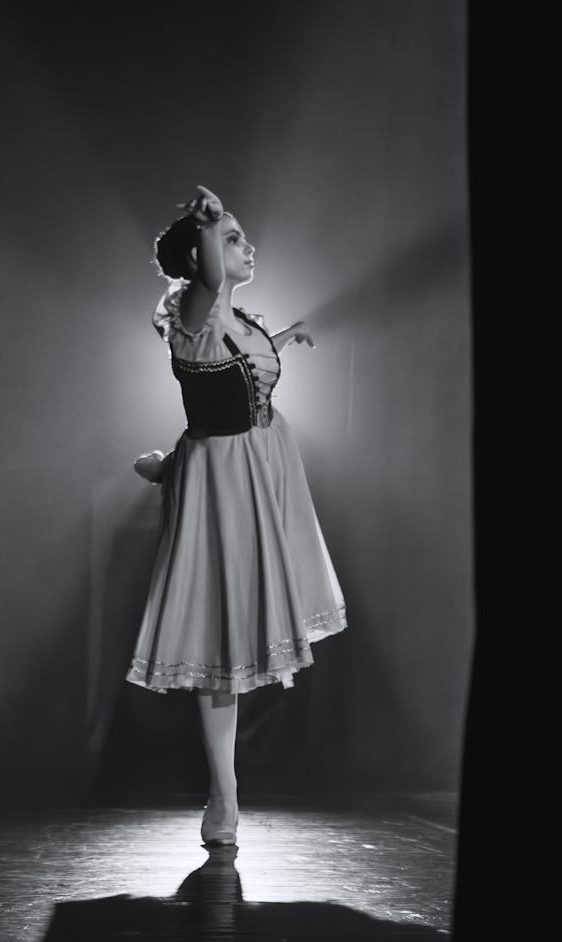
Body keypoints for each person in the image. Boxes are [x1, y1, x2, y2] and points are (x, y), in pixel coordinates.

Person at [125, 185, 347, 846]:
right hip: (222, 481)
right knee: (218, 639)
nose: (244, 246)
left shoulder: (231, 318)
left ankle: (225, 791)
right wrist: (206, 217)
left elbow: (233, 376)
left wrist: (282, 336)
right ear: (199, 259)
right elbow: (209, 313)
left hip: (259, 470)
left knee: (242, 635)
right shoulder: (196, 304)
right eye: (230, 238)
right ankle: (223, 794)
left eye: (240, 235)